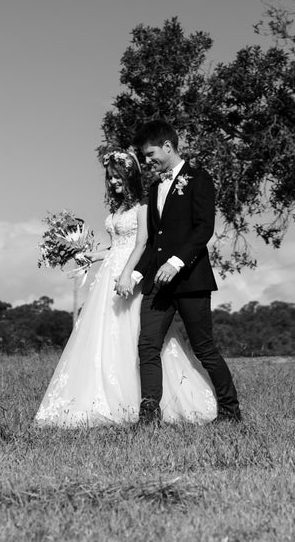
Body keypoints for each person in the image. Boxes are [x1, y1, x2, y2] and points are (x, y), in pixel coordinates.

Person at [34, 149, 217, 428]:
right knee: (103, 338)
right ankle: (103, 398)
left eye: (117, 178)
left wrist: (128, 274)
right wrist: (87, 255)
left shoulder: (144, 204)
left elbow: (141, 243)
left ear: (130, 175)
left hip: (129, 275)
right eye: (109, 179)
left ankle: (147, 402)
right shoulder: (117, 209)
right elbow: (115, 247)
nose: (113, 183)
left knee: (138, 339)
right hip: (109, 274)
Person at [131, 120, 242, 424]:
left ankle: (231, 412)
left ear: (168, 146)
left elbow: (204, 227)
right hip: (157, 284)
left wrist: (176, 262)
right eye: (144, 156)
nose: (148, 160)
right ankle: (149, 413)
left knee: (204, 347)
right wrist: (138, 274)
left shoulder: (199, 178)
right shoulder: (154, 187)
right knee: (147, 345)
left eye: (151, 153)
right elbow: (154, 240)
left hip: (191, 279)